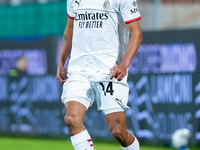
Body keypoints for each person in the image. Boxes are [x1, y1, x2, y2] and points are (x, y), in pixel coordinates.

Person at [57, 0, 143, 149]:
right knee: (71, 118)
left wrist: (124, 65)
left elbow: (137, 33)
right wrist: (61, 61)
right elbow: (70, 28)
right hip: (79, 69)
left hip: (110, 71)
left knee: (118, 132)